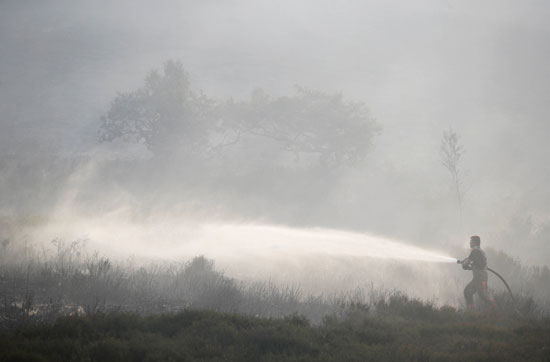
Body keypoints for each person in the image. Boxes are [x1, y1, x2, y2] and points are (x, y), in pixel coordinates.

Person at [459, 235, 497, 311]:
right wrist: (468, 265)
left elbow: (466, 264)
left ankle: (495, 310)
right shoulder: (480, 251)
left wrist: (463, 263)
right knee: (467, 292)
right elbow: (477, 264)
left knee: (484, 294)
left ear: (475, 242)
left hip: (481, 278)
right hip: (478, 278)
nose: (469, 243)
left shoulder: (475, 251)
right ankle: (471, 312)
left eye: (471, 241)